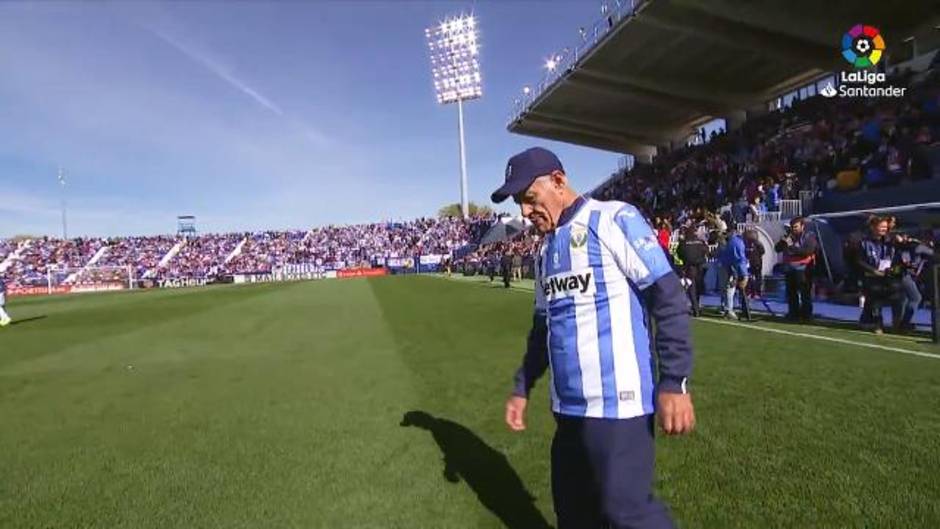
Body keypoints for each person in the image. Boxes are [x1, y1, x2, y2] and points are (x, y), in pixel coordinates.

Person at [492, 147, 695, 529]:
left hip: (619, 410)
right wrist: (522, 387)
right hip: (568, 412)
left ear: (558, 181)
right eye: (520, 203)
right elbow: (543, 328)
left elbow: (668, 298)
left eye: (529, 198)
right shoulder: (545, 251)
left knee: (627, 515)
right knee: (574, 516)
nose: (524, 211)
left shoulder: (614, 219)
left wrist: (674, 381)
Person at [858, 216, 902, 334]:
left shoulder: (889, 242)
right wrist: (873, 271)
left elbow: (897, 258)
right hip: (871, 276)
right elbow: (860, 261)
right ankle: (877, 324)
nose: (884, 229)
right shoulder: (864, 242)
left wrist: (892, 270)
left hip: (887, 275)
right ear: (873, 227)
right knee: (874, 297)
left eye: (885, 227)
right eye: (881, 226)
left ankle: (897, 323)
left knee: (897, 295)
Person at [774, 217, 817, 321]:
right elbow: (777, 249)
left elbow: (807, 251)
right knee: (791, 292)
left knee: (804, 293)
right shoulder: (789, 236)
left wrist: (791, 246)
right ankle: (793, 313)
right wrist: (782, 242)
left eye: (796, 227)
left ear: (802, 226)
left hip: (803, 269)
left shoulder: (809, 236)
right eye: (793, 227)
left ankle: (807, 315)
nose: (794, 229)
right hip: (789, 268)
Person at [718, 227, 750, 321]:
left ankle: (725, 308)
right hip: (728, 266)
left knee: (726, 288)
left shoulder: (730, 241)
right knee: (729, 288)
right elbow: (739, 259)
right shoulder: (736, 242)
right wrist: (744, 275)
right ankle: (728, 310)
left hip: (726, 265)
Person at [677, 228, 707, 316]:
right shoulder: (700, 242)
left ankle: (696, 309)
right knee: (698, 288)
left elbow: (679, 253)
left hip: (689, 268)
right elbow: (706, 250)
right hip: (700, 268)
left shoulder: (683, 243)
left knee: (692, 290)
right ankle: (697, 307)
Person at [744, 229, 765, 298]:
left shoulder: (758, 244)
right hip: (748, 263)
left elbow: (762, 251)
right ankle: (750, 292)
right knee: (749, 279)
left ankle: (757, 293)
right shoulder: (746, 243)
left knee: (757, 278)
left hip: (756, 263)